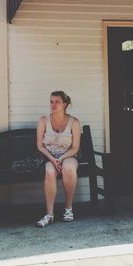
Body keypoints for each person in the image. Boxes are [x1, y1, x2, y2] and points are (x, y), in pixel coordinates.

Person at [35, 91, 81, 227]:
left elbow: (75, 148)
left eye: (57, 102)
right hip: (49, 156)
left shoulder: (74, 122)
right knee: (49, 171)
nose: (53, 105)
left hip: (68, 155)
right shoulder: (44, 120)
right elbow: (39, 145)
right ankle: (49, 214)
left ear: (64, 104)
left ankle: (68, 208)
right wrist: (53, 159)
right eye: (51, 101)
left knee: (69, 168)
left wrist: (60, 158)